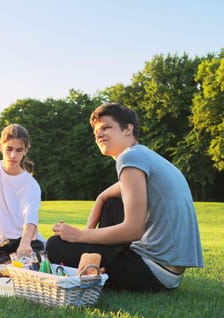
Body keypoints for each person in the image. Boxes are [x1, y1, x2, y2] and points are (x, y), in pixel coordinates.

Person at [47, 103, 204, 292]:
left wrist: (79, 235)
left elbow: (134, 230)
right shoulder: (145, 156)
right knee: (112, 203)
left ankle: (91, 264)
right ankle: (92, 261)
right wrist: (84, 241)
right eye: (96, 131)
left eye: (106, 127)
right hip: (171, 274)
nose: (99, 134)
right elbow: (104, 197)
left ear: (128, 129)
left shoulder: (130, 158)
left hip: (152, 272)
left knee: (55, 245)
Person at [0, 124, 45, 270]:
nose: (13, 156)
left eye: (19, 150)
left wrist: (24, 243)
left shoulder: (31, 184)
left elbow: (30, 218)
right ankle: (15, 264)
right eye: (9, 149)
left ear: (26, 150)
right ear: (0, 147)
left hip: (24, 240)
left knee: (36, 252)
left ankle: (15, 264)